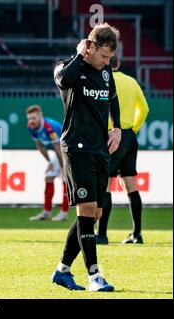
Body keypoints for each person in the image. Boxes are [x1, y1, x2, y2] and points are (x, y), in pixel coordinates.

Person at [51, 23, 122, 292]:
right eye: (104, 56)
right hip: (76, 148)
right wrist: (80, 56)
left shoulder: (105, 72)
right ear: (90, 47)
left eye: (110, 57)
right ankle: (94, 276)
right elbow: (64, 81)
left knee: (96, 213)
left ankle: (62, 271)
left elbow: (112, 98)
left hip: (100, 149)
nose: (107, 62)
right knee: (87, 210)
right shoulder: (68, 66)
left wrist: (116, 127)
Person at [96, 52, 150, 245]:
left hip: (112, 136)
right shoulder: (132, 82)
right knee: (131, 184)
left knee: (106, 185)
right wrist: (133, 128)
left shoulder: (105, 81)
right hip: (129, 136)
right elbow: (144, 109)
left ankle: (101, 235)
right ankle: (137, 234)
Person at [26, 105, 70, 221]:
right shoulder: (31, 127)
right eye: (29, 118)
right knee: (48, 177)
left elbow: (58, 147)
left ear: (40, 116)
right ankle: (47, 212)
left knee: (65, 179)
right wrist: (50, 162)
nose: (31, 121)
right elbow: (39, 145)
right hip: (58, 152)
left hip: (68, 150)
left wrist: (62, 167)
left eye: (33, 118)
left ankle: (64, 213)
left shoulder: (49, 127)